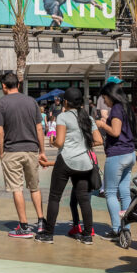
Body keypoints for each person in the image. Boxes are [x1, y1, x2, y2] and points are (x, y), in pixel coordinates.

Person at [35, 87, 103, 245]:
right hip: (84, 163)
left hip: (65, 160)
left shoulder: (63, 117)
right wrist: (82, 144)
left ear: (65, 102)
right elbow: (99, 140)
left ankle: (48, 233)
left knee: (55, 197)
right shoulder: (88, 118)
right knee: (84, 199)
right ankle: (87, 235)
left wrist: (51, 142)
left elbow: (59, 142)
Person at [0, 71, 47, 238]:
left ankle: (23, 226)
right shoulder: (31, 102)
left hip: (12, 150)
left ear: (3, 86)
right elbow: (39, 128)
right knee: (34, 187)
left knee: (17, 188)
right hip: (31, 149)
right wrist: (42, 151)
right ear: (18, 84)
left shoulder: (0, 104)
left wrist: (1, 151)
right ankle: (41, 222)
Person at [94, 77, 137, 241]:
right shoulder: (127, 108)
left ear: (110, 95)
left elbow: (115, 132)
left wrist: (102, 124)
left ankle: (116, 229)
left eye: (105, 97)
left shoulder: (116, 110)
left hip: (117, 154)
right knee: (125, 193)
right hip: (129, 153)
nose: (104, 101)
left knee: (111, 193)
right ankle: (126, 228)